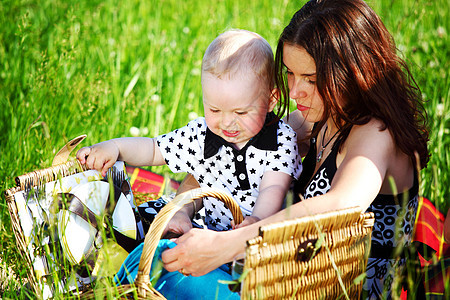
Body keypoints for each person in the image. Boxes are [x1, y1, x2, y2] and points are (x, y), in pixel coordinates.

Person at [159, 0, 430, 299]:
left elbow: (342, 204)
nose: (295, 91)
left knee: (166, 273)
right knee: (162, 252)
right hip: (289, 279)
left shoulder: (375, 133)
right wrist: (181, 210)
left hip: (343, 292)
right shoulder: (318, 115)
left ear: (354, 72)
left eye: (311, 79)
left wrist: (227, 245)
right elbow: (220, 155)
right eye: (290, 73)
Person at [77, 29, 302, 235]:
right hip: (209, 230)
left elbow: (274, 187)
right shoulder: (202, 135)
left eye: (241, 113)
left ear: (271, 100)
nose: (226, 123)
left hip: (262, 239)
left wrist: (257, 220)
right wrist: (116, 147)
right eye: (214, 109)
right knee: (145, 221)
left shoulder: (280, 140)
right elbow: (155, 149)